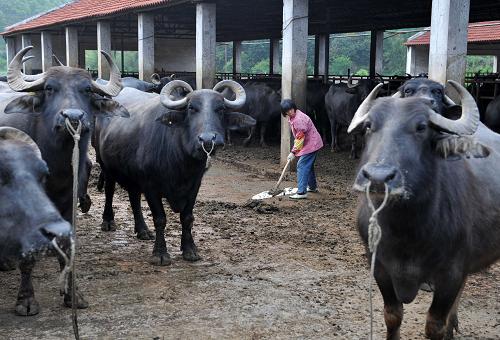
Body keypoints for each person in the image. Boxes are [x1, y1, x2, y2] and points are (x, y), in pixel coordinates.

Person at [281, 99, 324, 199]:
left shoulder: (298, 119)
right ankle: (312, 187)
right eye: (287, 111)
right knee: (308, 165)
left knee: (302, 165)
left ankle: (301, 192)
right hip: (311, 143)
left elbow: (300, 138)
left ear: (294, 108)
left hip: (311, 144)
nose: (290, 112)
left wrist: (293, 152)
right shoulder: (295, 116)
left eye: (291, 109)